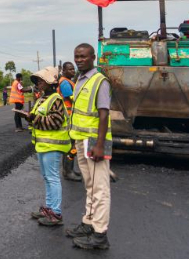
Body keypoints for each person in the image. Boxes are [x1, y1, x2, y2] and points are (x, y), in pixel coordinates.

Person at [66, 43, 112, 250]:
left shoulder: (100, 81)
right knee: (90, 185)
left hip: (95, 142)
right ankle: (88, 223)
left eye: (83, 56)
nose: (79, 60)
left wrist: (100, 145)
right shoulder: (80, 79)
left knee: (100, 189)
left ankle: (100, 235)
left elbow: (104, 114)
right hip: (81, 139)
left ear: (93, 57)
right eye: (76, 56)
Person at [23, 66, 70, 227]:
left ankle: (55, 213)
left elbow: (55, 122)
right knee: (47, 177)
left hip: (52, 146)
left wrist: (34, 119)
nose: (38, 83)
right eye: (37, 80)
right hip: (43, 146)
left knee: (52, 178)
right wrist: (30, 118)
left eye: (41, 80)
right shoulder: (43, 98)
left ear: (50, 82)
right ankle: (49, 209)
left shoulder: (55, 99)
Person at [58, 62, 81, 182]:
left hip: (70, 117)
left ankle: (68, 170)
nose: (73, 71)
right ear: (64, 70)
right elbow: (71, 99)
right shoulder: (65, 83)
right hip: (68, 118)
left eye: (73, 69)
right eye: (70, 69)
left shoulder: (67, 81)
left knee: (71, 145)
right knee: (71, 146)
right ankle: (68, 171)